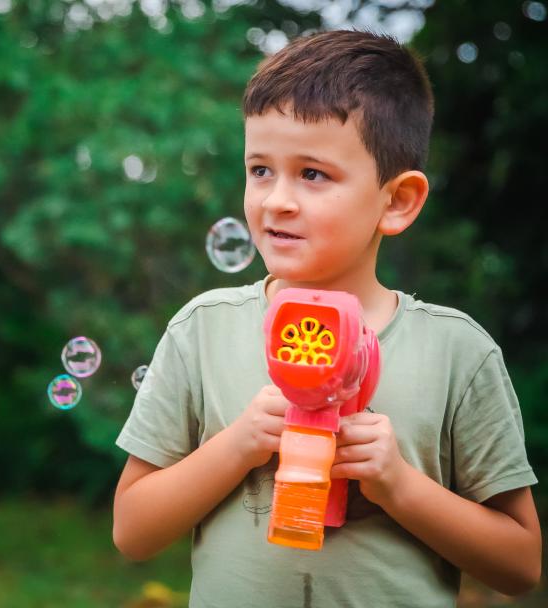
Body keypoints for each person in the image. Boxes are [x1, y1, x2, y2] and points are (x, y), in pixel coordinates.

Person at [112, 29, 541, 607]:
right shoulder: (202, 331)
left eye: (312, 174)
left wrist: (398, 484)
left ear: (397, 201)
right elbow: (132, 532)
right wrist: (238, 444)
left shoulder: (457, 352)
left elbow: (520, 565)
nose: (277, 200)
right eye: (260, 169)